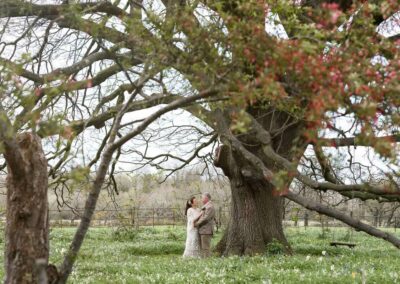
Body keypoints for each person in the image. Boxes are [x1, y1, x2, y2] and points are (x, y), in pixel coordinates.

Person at [194, 192, 215, 258]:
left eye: (202, 198)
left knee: (205, 247)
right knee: (203, 247)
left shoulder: (210, 207)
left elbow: (205, 218)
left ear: (206, 198)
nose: (201, 199)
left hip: (206, 230)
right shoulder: (206, 206)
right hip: (203, 230)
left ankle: (207, 261)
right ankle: (203, 260)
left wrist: (196, 223)